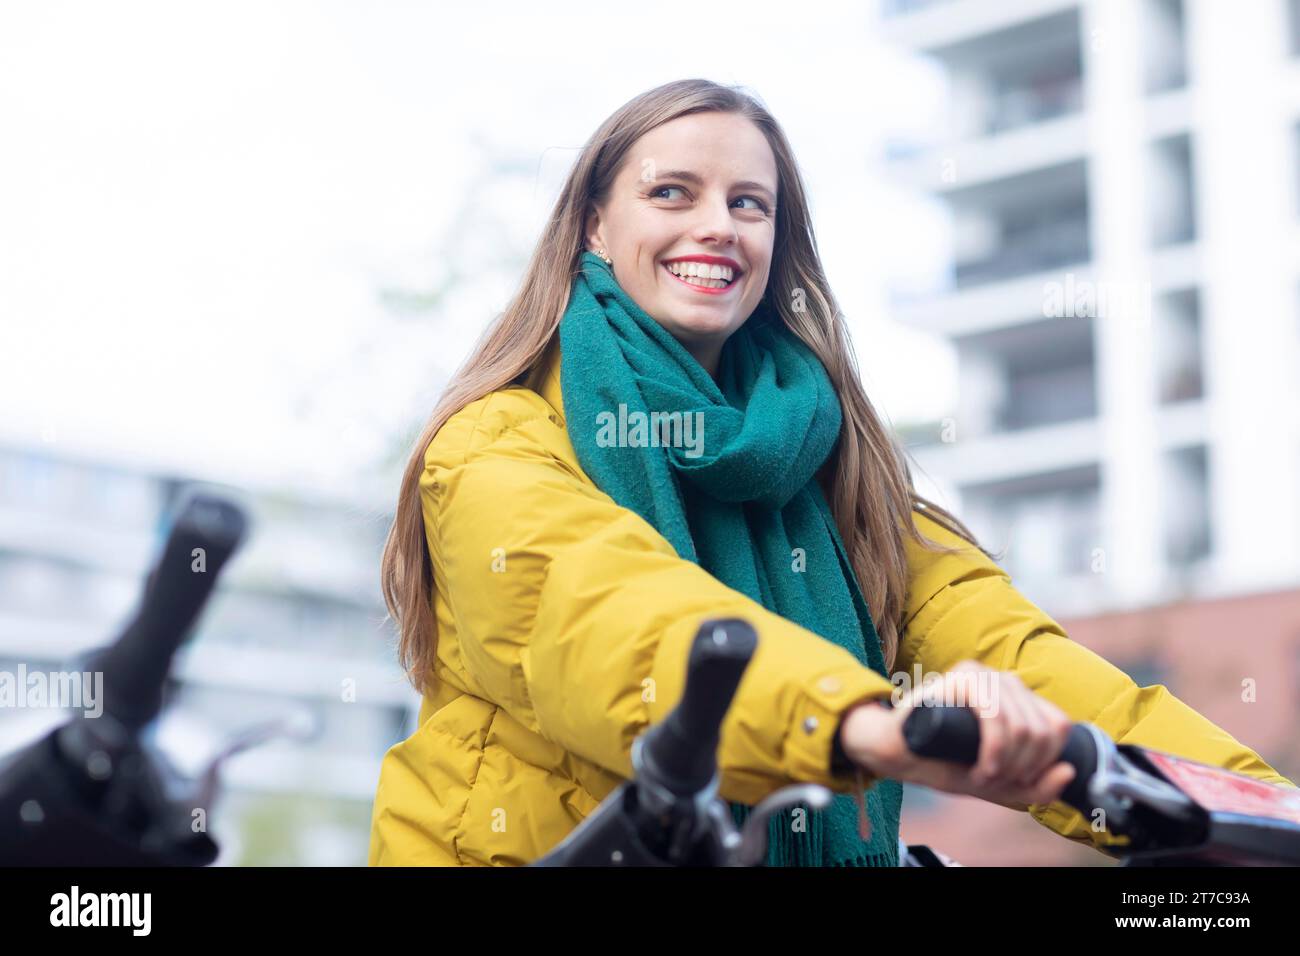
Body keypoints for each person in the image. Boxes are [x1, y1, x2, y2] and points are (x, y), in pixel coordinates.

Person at [367, 78, 1293, 867]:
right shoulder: (495, 444)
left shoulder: (840, 472)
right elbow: (611, 617)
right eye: (674, 194)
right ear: (596, 226)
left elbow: (1017, 659)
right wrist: (856, 722)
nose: (717, 226)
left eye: (748, 204)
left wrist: (1262, 806)